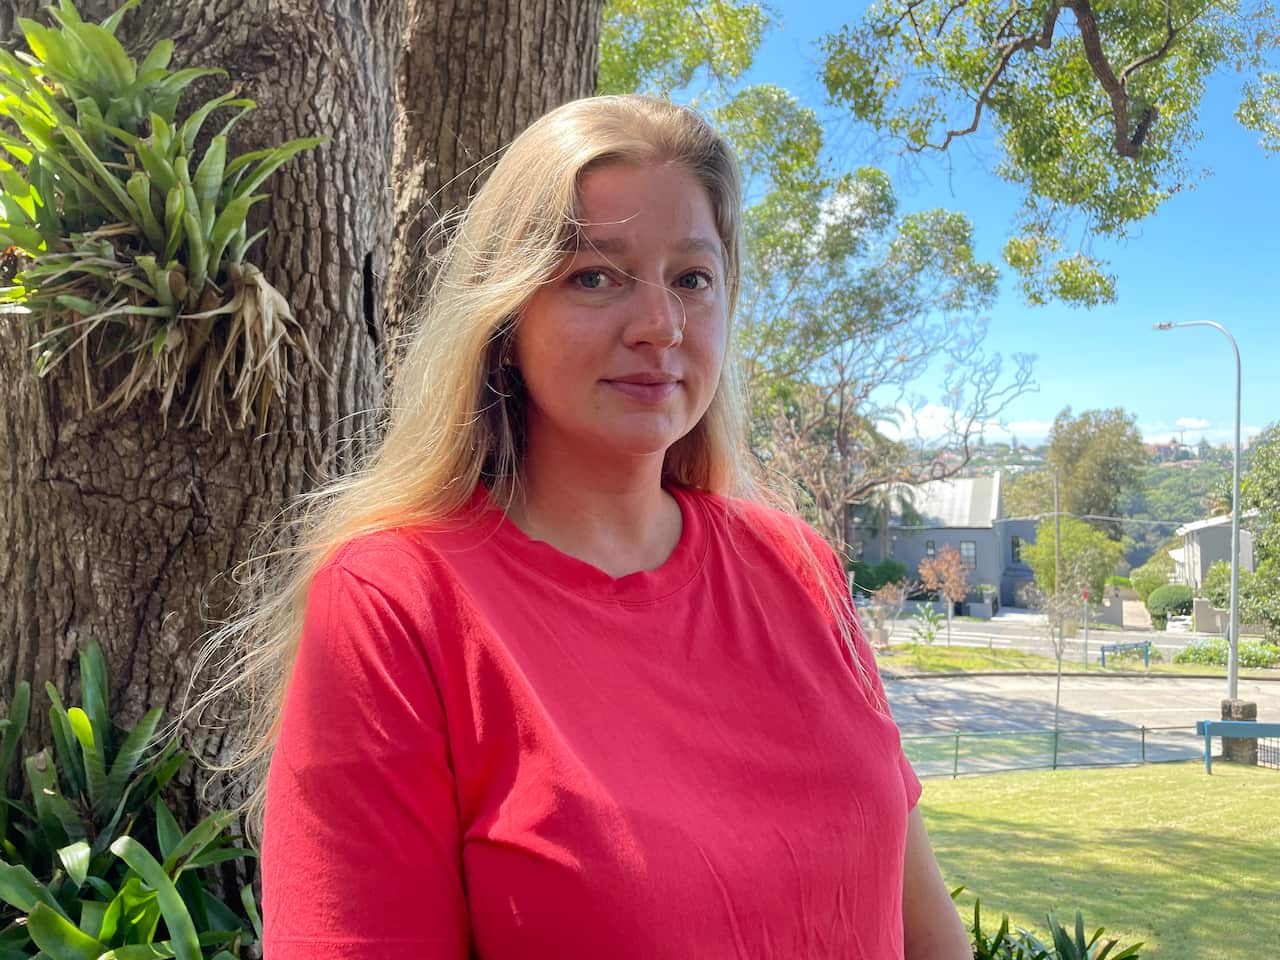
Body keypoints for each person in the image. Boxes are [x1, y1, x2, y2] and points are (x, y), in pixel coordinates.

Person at [223, 94, 969, 958]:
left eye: (693, 278)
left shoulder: (800, 568)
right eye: (593, 276)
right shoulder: (394, 605)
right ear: (506, 320)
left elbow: (925, 933)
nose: (660, 326)